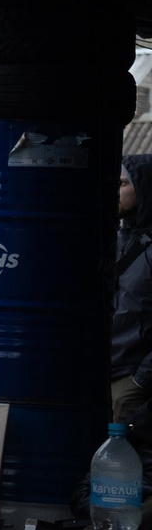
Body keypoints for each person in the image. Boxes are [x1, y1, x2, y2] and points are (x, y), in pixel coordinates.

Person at [112, 154, 152, 424]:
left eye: (123, 184)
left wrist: (139, 382)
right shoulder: (114, 238)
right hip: (100, 371)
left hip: (131, 380)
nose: (115, 191)